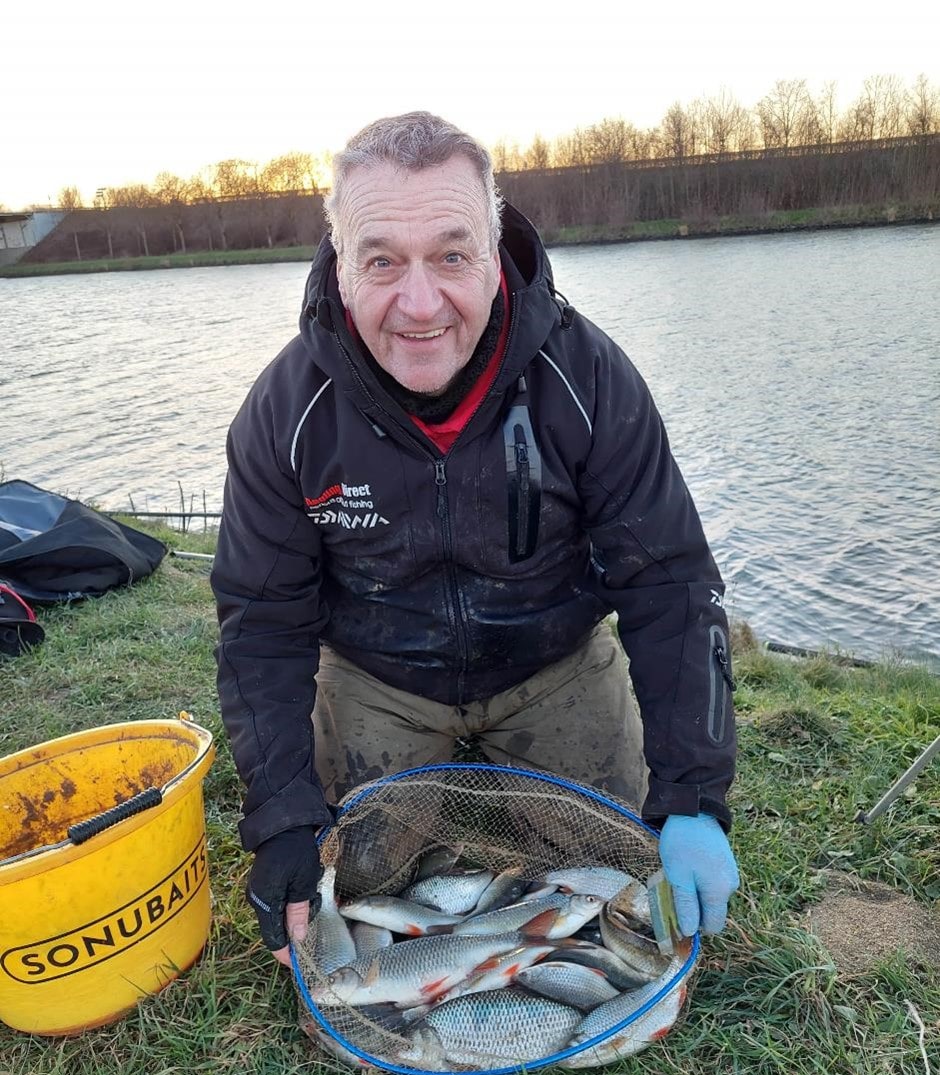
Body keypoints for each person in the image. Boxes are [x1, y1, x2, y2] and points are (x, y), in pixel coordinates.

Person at [211, 112, 739, 968]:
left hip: (552, 662)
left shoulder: (588, 376)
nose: (420, 305)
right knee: (361, 887)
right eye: (382, 261)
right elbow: (261, 622)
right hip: (380, 675)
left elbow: (669, 582)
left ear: (494, 256)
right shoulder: (286, 412)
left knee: (611, 887)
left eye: (452, 256)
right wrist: (281, 817)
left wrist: (694, 795)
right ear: (340, 266)